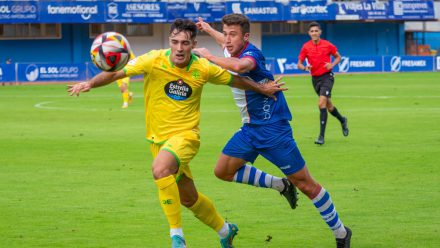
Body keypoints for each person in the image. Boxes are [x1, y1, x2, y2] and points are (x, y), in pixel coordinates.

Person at [68, 19, 285, 248]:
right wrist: (90, 83)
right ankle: (225, 230)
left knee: (160, 169)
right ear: (170, 41)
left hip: (186, 137)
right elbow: (116, 74)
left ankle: (177, 237)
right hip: (157, 140)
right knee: (189, 198)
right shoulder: (153, 60)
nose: (179, 48)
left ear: (193, 44)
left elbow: (236, 79)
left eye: (185, 43)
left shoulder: (203, 67)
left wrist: (262, 88)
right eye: (175, 42)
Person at [195, 14, 352, 248]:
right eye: (225, 33)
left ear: (245, 37)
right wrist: (208, 29)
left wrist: (208, 56)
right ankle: (280, 185)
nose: (227, 40)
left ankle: (341, 232)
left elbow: (239, 66)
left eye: (233, 35)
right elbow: (224, 44)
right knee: (223, 171)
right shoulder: (230, 46)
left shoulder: (251, 55)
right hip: (250, 129)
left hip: (273, 130)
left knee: (307, 185)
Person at [297, 22, 349, 145]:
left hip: (327, 77)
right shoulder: (306, 47)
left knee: (321, 104)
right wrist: (305, 68)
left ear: (320, 32)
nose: (314, 33)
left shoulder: (327, 45)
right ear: (309, 33)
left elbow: (338, 57)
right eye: (312, 31)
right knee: (329, 106)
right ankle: (342, 120)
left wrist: (332, 64)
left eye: (316, 31)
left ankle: (321, 136)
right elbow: (299, 64)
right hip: (315, 79)